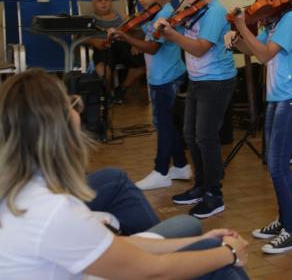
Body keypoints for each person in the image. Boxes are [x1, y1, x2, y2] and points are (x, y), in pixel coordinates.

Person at [0, 69, 249, 280]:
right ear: (59, 128)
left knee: (194, 229)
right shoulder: (53, 212)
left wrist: (207, 244)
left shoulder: (21, 192)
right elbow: (154, 271)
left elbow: (116, 247)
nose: (78, 110)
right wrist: (230, 253)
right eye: (71, 104)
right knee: (218, 258)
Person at [226, 0, 292, 254]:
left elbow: (264, 55)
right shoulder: (276, 19)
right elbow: (252, 48)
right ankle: (283, 220)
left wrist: (240, 25)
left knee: (278, 165)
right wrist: (236, 40)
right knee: (274, 164)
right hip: (278, 96)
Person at [154, 0, 237, 219]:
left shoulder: (214, 11)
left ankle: (215, 194)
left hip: (217, 80)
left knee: (206, 137)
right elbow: (174, 29)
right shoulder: (191, 9)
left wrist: (172, 35)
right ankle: (200, 186)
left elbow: (200, 47)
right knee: (190, 135)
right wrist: (164, 25)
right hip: (198, 78)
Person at [108, 0, 192, 190]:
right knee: (167, 123)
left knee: (163, 124)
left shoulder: (166, 15)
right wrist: (125, 30)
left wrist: (126, 37)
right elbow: (144, 31)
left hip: (167, 76)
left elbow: (154, 47)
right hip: (160, 75)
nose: (140, 0)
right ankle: (181, 166)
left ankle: (161, 170)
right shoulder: (153, 13)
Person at [87, 0, 146, 102]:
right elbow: (78, 38)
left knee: (144, 64)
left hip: (122, 47)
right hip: (103, 48)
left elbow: (138, 32)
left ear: (111, 2)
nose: (104, 2)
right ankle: (108, 93)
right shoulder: (89, 19)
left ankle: (121, 89)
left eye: (106, 0)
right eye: (99, 0)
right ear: (94, 4)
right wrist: (93, 41)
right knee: (103, 71)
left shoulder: (122, 17)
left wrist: (136, 43)